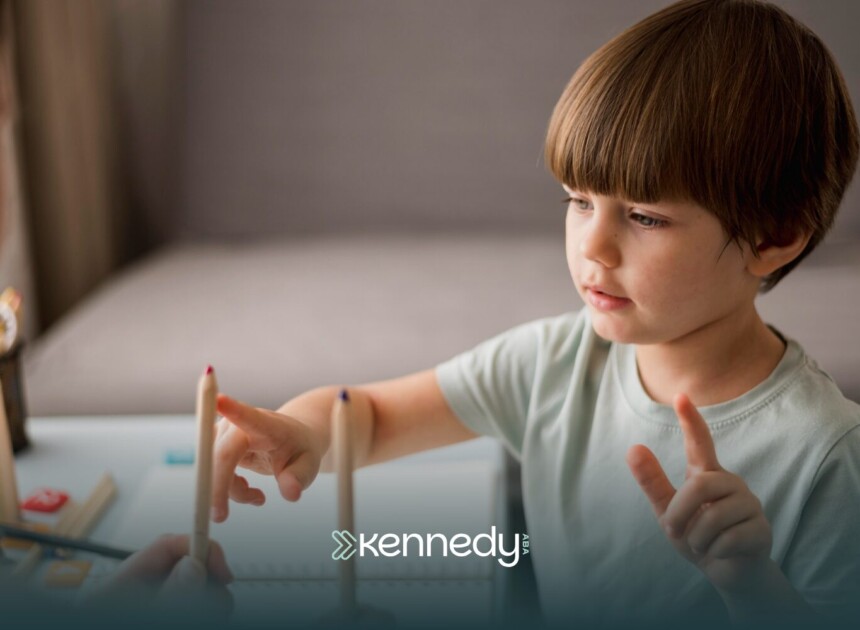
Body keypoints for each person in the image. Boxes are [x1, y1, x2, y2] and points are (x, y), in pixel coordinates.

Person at [218, 0, 856, 628]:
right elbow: (376, 419)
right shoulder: (552, 363)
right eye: (579, 201)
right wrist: (300, 430)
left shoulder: (828, 455)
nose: (593, 247)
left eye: (645, 216)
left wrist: (751, 586)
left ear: (774, 237)